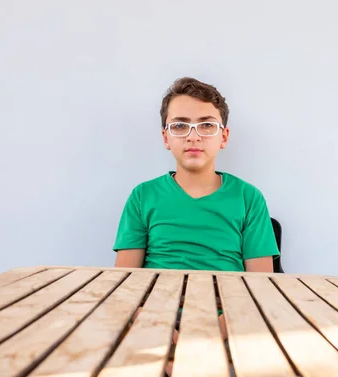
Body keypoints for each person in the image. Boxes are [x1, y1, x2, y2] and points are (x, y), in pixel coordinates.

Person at [112, 77, 279, 375]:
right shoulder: (143, 196)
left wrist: (210, 334)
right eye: (180, 125)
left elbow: (260, 288)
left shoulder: (249, 198)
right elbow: (126, 285)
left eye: (206, 125)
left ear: (223, 136)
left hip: (229, 321)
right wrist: (159, 331)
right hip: (154, 321)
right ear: (166, 137)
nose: (193, 136)